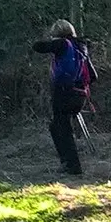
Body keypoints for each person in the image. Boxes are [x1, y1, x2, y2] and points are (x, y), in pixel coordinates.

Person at [32, 19, 90, 176]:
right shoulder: (81, 47)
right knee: (57, 126)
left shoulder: (62, 44)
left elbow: (38, 47)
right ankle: (67, 163)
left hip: (63, 93)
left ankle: (73, 167)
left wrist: (50, 40)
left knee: (62, 128)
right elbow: (93, 76)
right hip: (80, 94)